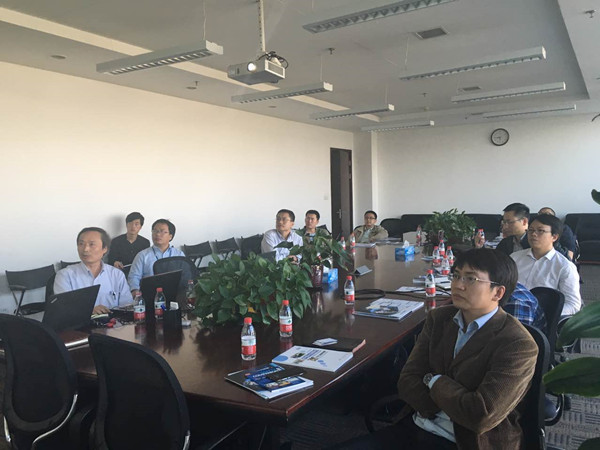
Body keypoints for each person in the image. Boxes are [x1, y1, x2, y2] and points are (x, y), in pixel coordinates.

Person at [337, 248, 538, 449]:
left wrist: (433, 381)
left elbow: (480, 416)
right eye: (456, 275)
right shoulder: (440, 318)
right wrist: (450, 403)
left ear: (498, 292)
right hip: (416, 427)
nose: (458, 285)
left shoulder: (518, 344)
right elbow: (407, 381)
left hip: (466, 443)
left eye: (471, 279)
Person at [511, 214, 581, 316]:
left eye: (540, 231)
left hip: (541, 319)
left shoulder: (564, 267)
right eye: (530, 230)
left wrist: (546, 314)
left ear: (554, 237)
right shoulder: (514, 258)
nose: (533, 234)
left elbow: (573, 305)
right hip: (511, 312)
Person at [54, 227, 132, 315]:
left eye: (92, 244)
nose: (85, 249)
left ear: (104, 249)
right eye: (81, 244)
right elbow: (63, 310)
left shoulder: (117, 275)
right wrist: (88, 310)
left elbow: (127, 306)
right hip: (79, 323)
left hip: (113, 322)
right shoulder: (65, 276)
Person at [128, 219, 185, 294]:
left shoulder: (179, 255)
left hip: (175, 294)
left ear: (170, 236)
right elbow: (134, 276)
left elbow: (185, 276)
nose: (158, 234)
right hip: (149, 294)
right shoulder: (142, 255)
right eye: (155, 231)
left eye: (162, 231)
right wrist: (135, 290)